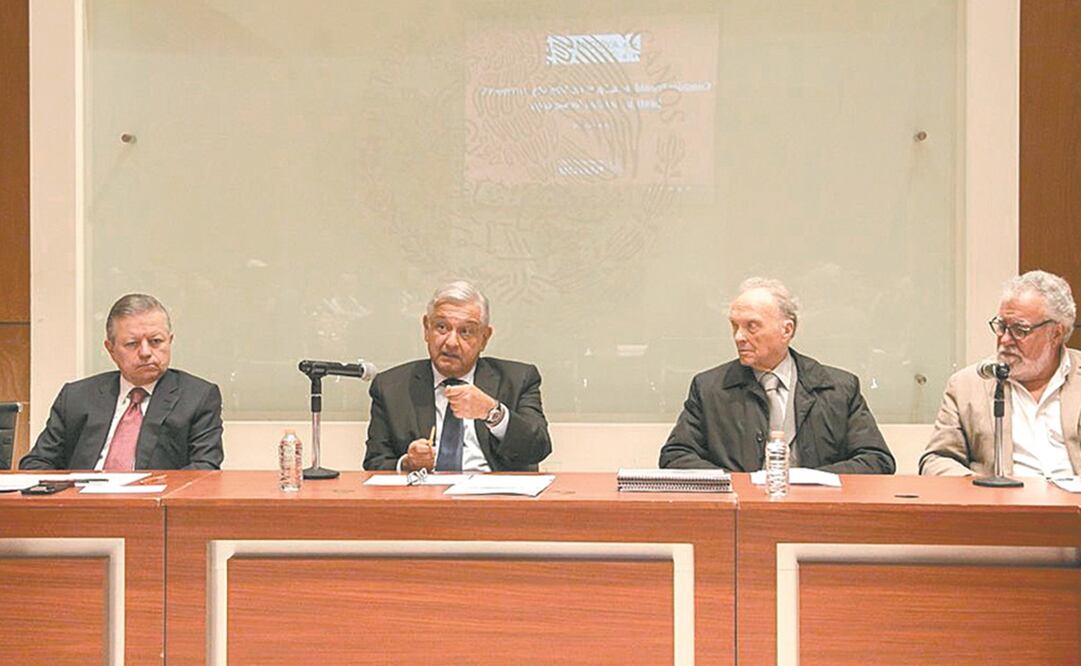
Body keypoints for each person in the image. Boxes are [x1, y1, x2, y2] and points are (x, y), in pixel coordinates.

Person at [659, 277, 895, 473]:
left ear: (787, 330)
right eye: (734, 326)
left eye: (751, 326)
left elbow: (877, 460)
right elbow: (676, 456)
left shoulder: (838, 389)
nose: (739, 337)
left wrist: (811, 480)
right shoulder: (709, 388)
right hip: (739, 515)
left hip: (818, 515)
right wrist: (738, 484)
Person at [364, 280, 551, 472]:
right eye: (442, 328)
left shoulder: (517, 379)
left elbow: (538, 447)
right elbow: (375, 463)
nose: (452, 342)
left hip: (493, 497)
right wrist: (407, 464)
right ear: (426, 329)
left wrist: (492, 413)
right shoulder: (390, 387)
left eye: (466, 331)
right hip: (424, 497)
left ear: (484, 338)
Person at [20, 293, 223, 470]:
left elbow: (204, 468)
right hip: (82, 505)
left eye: (156, 341)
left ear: (170, 341)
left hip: (152, 506)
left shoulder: (197, 397)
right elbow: (37, 462)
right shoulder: (76, 397)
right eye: (132, 344)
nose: (145, 352)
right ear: (111, 349)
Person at [920, 270, 1080, 477]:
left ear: (1055, 333)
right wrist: (976, 488)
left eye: (1020, 330)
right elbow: (936, 459)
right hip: (1002, 504)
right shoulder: (967, 385)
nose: (1004, 339)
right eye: (1002, 326)